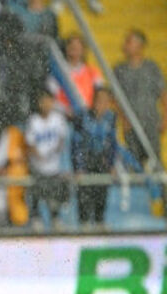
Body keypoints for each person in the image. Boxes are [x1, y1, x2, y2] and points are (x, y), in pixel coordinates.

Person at [113, 29, 167, 171]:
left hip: (151, 123)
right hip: (131, 124)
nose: (125, 45)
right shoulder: (119, 69)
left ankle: (161, 192)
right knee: (134, 161)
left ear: (140, 45)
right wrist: (123, 119)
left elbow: (163, 94)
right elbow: (115, 98)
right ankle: (138, 193)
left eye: (129, 41)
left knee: (154, 159)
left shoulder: (151, 67)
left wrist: (165, 118)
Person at [71, 86, 117, 230]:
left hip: (101, 161)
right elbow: (76, 143)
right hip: (86, 161)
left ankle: (99, 221)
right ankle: (84, 222)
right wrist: (79, 166)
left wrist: (112, 164)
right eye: (99, 100)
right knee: (85, 192)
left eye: (105, 101)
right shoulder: (83, 117)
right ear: (93, 101)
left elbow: (112, 143)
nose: (102, 104)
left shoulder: (110, 118)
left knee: (102, 191)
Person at [26, 90, 71, 232]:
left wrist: (53, 152)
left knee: (54, 196)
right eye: (42, 101)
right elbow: (30, 144)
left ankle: (55, 219)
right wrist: (39, 155)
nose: (45, 104)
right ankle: (36, 219)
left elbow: (62, 139)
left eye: (48, 101)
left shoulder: (58, 119)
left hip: (53, 166)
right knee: (37, 194)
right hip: (38, 167)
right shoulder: (33, 120)